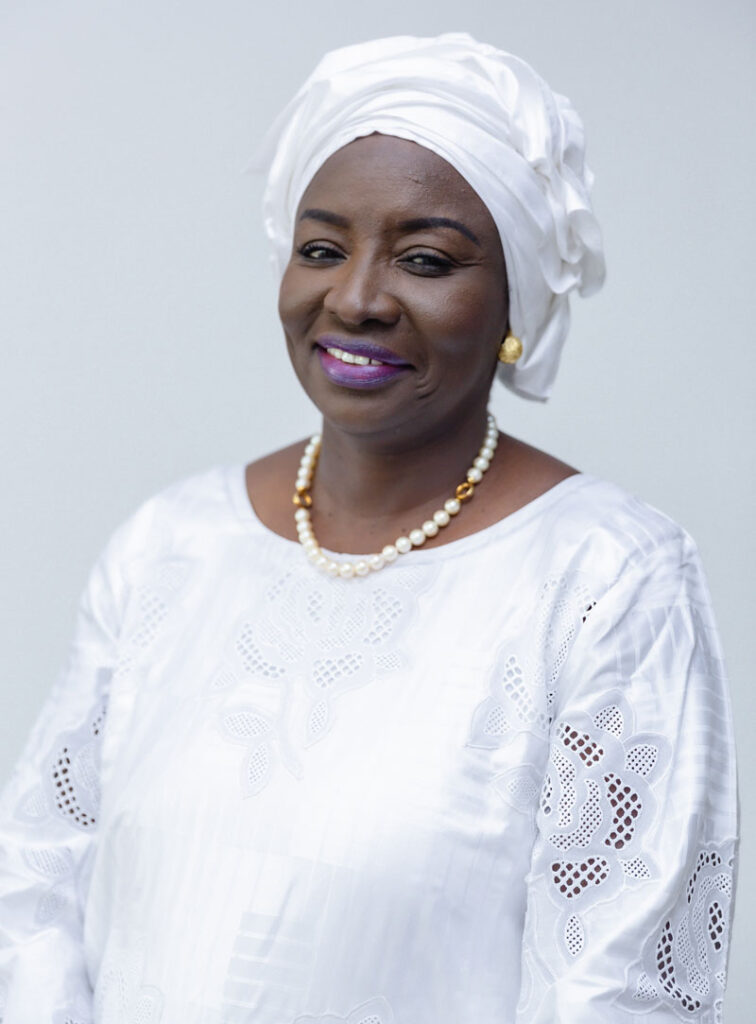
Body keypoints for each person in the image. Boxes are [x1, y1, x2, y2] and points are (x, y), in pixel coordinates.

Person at [0, 32, 738, 1023]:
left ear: (514, 295)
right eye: (321, 248)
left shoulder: (609, 581)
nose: (353, 298)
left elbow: (618, 987)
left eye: (426, 259)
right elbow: (34, 894)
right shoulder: (168, 548)